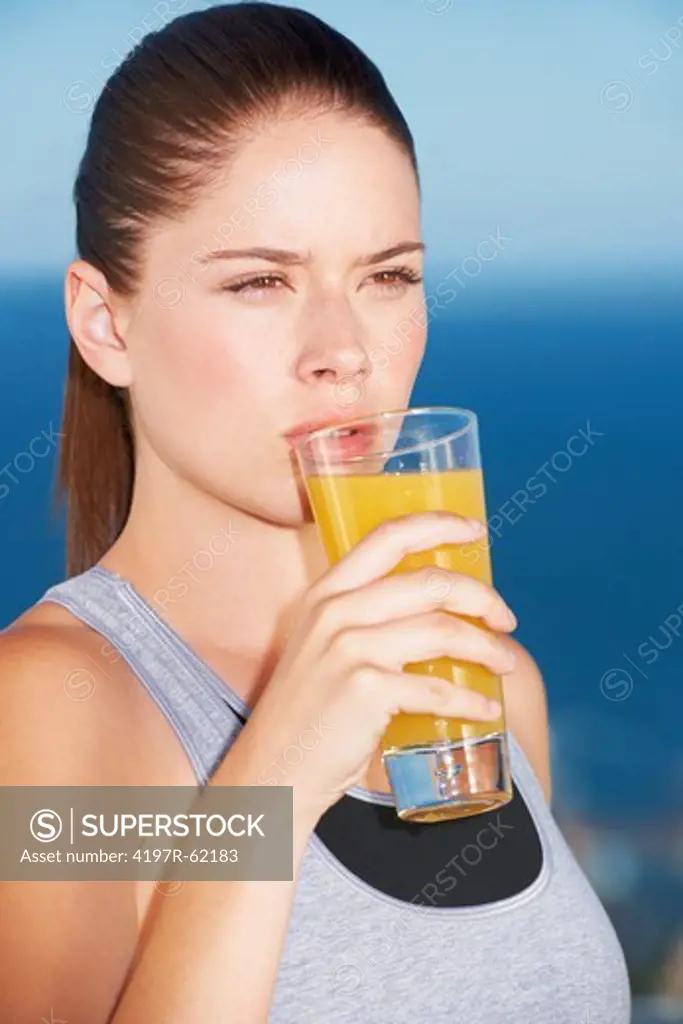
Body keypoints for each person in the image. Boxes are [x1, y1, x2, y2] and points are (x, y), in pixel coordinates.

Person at [0, 4, 631, 1022]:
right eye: (259, 281)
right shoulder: (54, 707)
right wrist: (276, 778)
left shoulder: (482, 686)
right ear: (105, 324)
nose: (342, 348)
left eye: (386, 277)